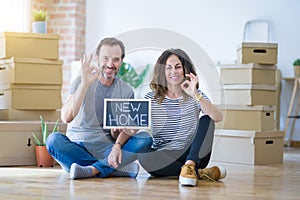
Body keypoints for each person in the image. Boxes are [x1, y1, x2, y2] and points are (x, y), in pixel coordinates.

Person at [46, 37, 152, 179]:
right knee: (53, 141)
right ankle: (112, 169)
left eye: (115, 59)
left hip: (107, 149)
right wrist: (84, 84)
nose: (110, 64)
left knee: (145, 139)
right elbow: (66, 117)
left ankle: (91, 170)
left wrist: (117, 141)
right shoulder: (81, 81)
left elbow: (120, 134)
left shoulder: (126, 91)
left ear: (121, 60)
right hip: (77, 147)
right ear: (97, 58)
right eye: (105, 58)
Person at [138, 48, 226, 187]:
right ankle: (199, 173)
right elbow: (135, 125)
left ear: (185, 70)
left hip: (193, 154)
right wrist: (118, 139)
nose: (173, 71)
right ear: (162, 71)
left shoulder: (195, 95)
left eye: (178, 67)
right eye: (169, 67)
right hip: (164, 156)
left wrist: (195, 94)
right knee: (143, 153)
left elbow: (218, 117)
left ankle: (190, 166)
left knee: (207, 120)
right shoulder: (151, 98)